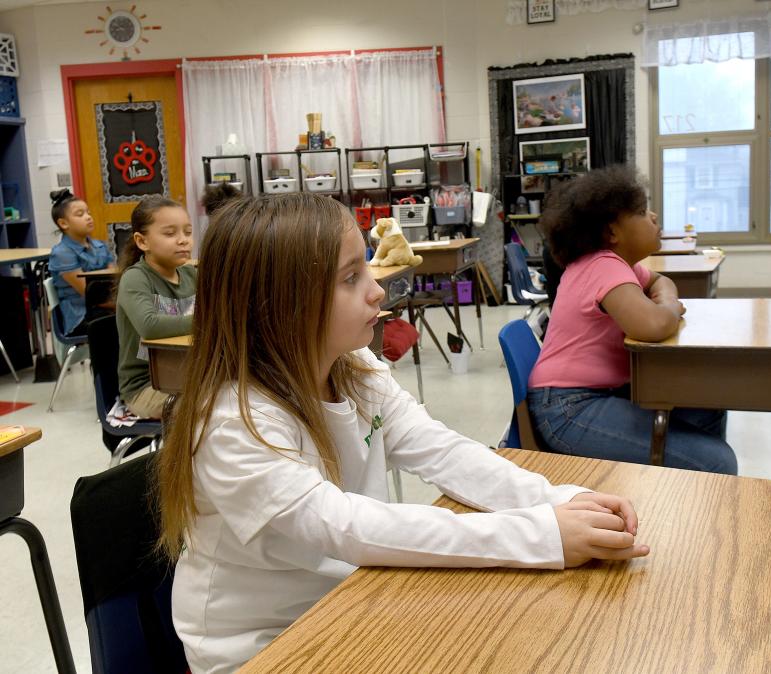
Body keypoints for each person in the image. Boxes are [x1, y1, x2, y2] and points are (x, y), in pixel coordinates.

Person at [156, 192, 649, 674]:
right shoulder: (232, 422)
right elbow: (349, 528)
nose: (376, 289)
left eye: (366, 266)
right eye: (351, 277)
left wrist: (557, 502)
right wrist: (541, 535)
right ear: (278, 304)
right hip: (265, 645)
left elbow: (441, 450)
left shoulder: (352, 366)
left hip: (349, 599)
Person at [525, 165, 737, 475]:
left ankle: (686, 491)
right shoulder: (603, 267)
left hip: (591, 396)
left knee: (706, 405)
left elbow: (660, 281)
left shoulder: (616, 264)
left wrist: (665, 303)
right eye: (641, 211)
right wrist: (671, 309)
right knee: (717, 461)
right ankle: (698, 487)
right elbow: (653, 326)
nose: (653, 217)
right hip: (569, 408)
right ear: (612, 232)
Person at [115, 196, 196, 419]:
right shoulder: (136, 278)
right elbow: (150, 325)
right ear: (142, 242)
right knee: (214, 409)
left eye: (188, 232)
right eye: (170, 234)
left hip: (188, 378)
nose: (183, 240)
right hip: (147, 388)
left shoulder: (192, 274)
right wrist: (209, 320)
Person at [47, 189, 115, 336]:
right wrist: (128, 306)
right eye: (80, 214)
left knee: (149, 312)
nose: (88, 217)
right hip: (82, 317)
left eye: (88, 212)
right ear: (64, 223)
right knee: (135, 318)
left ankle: (144, 358)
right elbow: (93, 296)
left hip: (107, 307)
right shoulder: (62, 253)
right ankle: (134, 358)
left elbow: (116, 280)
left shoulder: (100, 245)